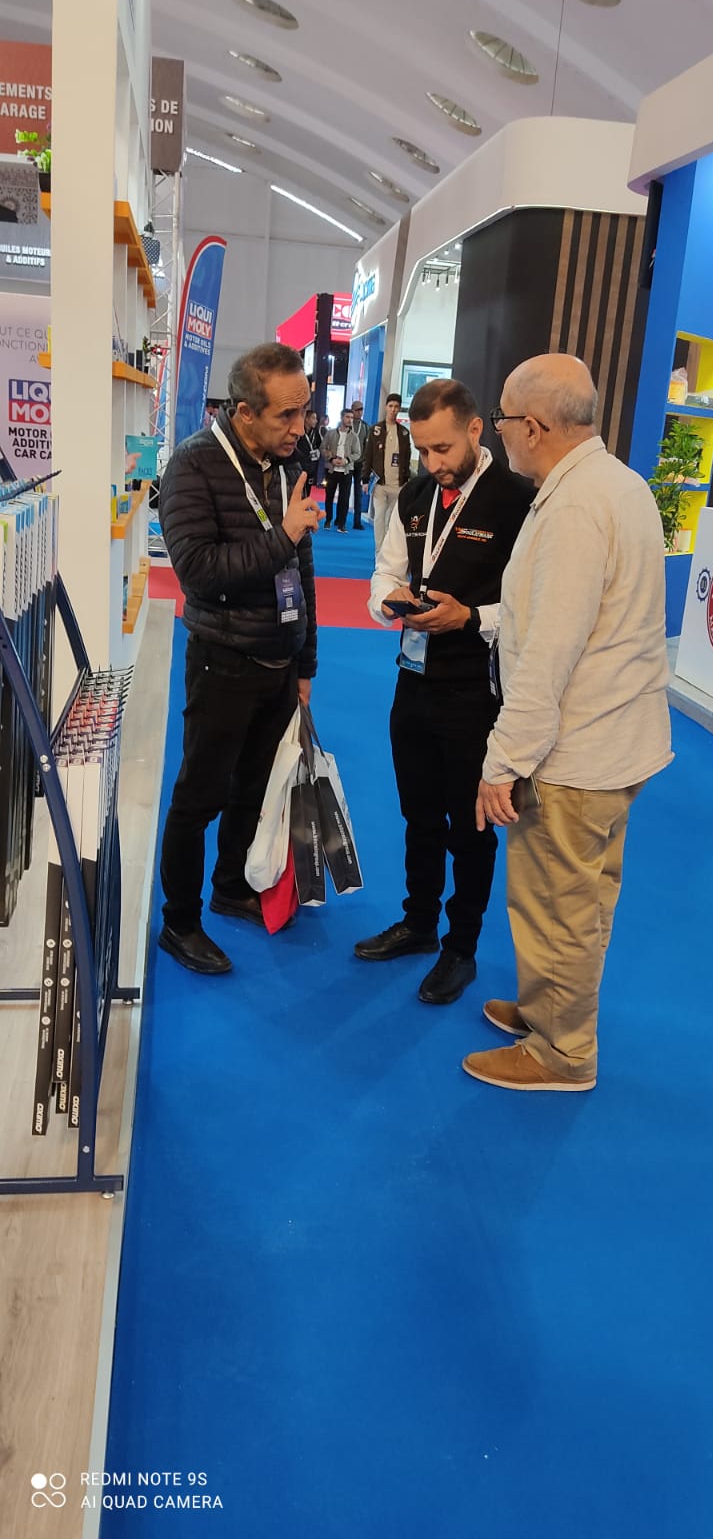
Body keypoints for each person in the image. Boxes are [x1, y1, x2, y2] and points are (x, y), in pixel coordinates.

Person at [463, 353, 673, 1091]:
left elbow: (550, 654)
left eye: (503, 419)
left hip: (577, 752)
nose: (498, 432)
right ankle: (551, 1008)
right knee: (584, 897)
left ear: (534, 426)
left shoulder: (576, 507)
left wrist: (502, 763)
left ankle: (562, 1051)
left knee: (557, 903)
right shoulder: (617, 484)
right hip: (617, 740)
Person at [355, 378, 534, 1004]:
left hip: (477, 691)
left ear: (475, 429)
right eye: (422, 449)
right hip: (412, 681)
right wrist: (389, 602)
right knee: (419, 814)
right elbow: (385, 571)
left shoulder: (517, 500)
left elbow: (533, 606)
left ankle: (461, 948)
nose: (432, 463)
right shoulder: (414, 494)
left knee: (471, 826)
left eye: (442, 448)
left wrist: (470, 617)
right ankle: (419, 922)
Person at [157, 343, 320, 974]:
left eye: (304, 411)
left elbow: (301, 571)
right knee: (200, 796)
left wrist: (306, 663)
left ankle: (230, 887)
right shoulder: (193, 465)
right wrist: (285, 533)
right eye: (286, 415)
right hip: (222, 661)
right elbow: (198, 571)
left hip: (279, 662)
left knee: (254, 787)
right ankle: (179, 921)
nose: (300, 427)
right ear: (245, 412)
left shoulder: (285, 461)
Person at [362, 392, 412, 554]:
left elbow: (407, 457)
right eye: (390, 406)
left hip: (397, 484)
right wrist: (365, 479)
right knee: (378, 517)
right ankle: (379, 552)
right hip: (380, 483)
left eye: (396, 407)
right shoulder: (375, 430)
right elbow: (368, 455)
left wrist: (406, 478)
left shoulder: (404, 433)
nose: (393, 409)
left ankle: (387, 551)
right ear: (385, 407)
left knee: (391, 520)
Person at [322, 407, 362, 532]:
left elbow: (357, 453)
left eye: (351, 417)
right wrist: (331, 459)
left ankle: (341, 523)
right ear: (341, 418)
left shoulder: (354, 437)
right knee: (329, 496)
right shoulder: (330, 433)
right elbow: (322, 448)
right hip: (331, 470)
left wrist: (347, 460)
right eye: (347, 417)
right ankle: (328, 520)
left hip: (346, 470)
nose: (350, 420)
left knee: (344, 499)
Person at [349, 398, 370, 530]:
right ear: (352, 410)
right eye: (357, 409)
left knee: (358, 492)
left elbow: (368, 447)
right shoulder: (346, 424)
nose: (360, 412)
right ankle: (340, 519)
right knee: (345, 492)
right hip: (347, 463)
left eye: (362, 409)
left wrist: (366, 464)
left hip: (360, 464)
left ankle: (357, 521)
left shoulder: (366, 427)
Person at [297, 407, 324, 487]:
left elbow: (320, 445)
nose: (316, 421)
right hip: (300, 464)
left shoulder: (315, 432)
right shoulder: (299, 432)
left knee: (309, 487)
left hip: (312, 465)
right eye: (313, 418)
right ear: (306, 419)